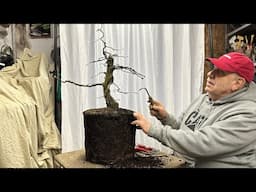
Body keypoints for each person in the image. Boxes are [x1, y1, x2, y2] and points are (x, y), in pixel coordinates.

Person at [131, 52, 256, 168]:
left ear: (237, 83)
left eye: (220, 72)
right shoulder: (204, 99)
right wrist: (165, 118)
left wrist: (153, 130)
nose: (210, 74)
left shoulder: (248, 115)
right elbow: (184, 130)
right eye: (213, 68)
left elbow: (201, 144)